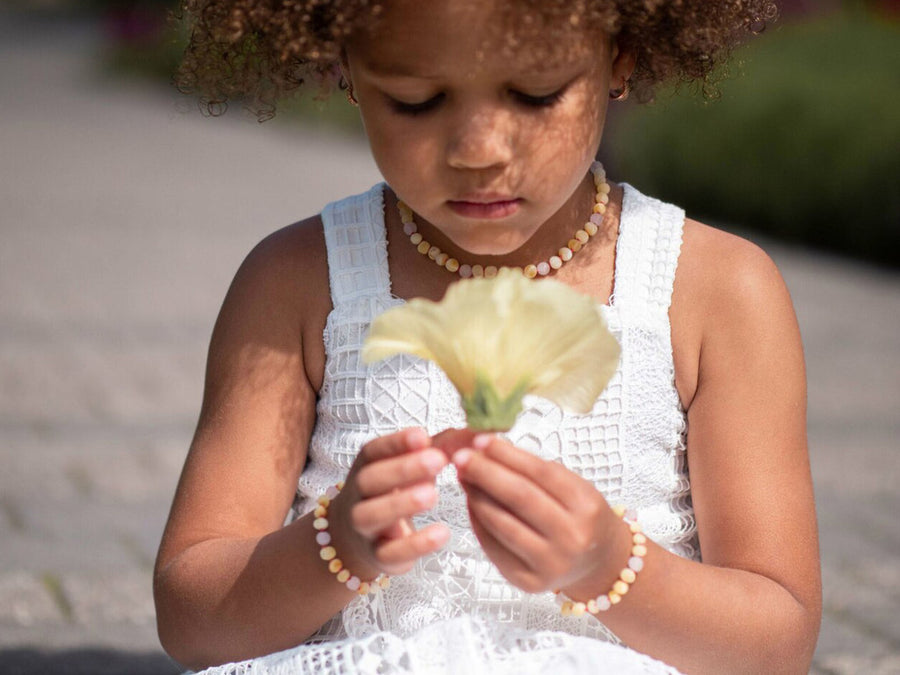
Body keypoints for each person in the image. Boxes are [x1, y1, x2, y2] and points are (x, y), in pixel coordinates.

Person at [154, 1, 822, 673]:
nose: (479, 150)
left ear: (618, 56)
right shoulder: (299, 282)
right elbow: (192, 619)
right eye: (416, 101)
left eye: (535, 95)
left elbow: (776, 641)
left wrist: (611, 566)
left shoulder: (713, 290)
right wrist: (334, 544)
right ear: (346, 68)